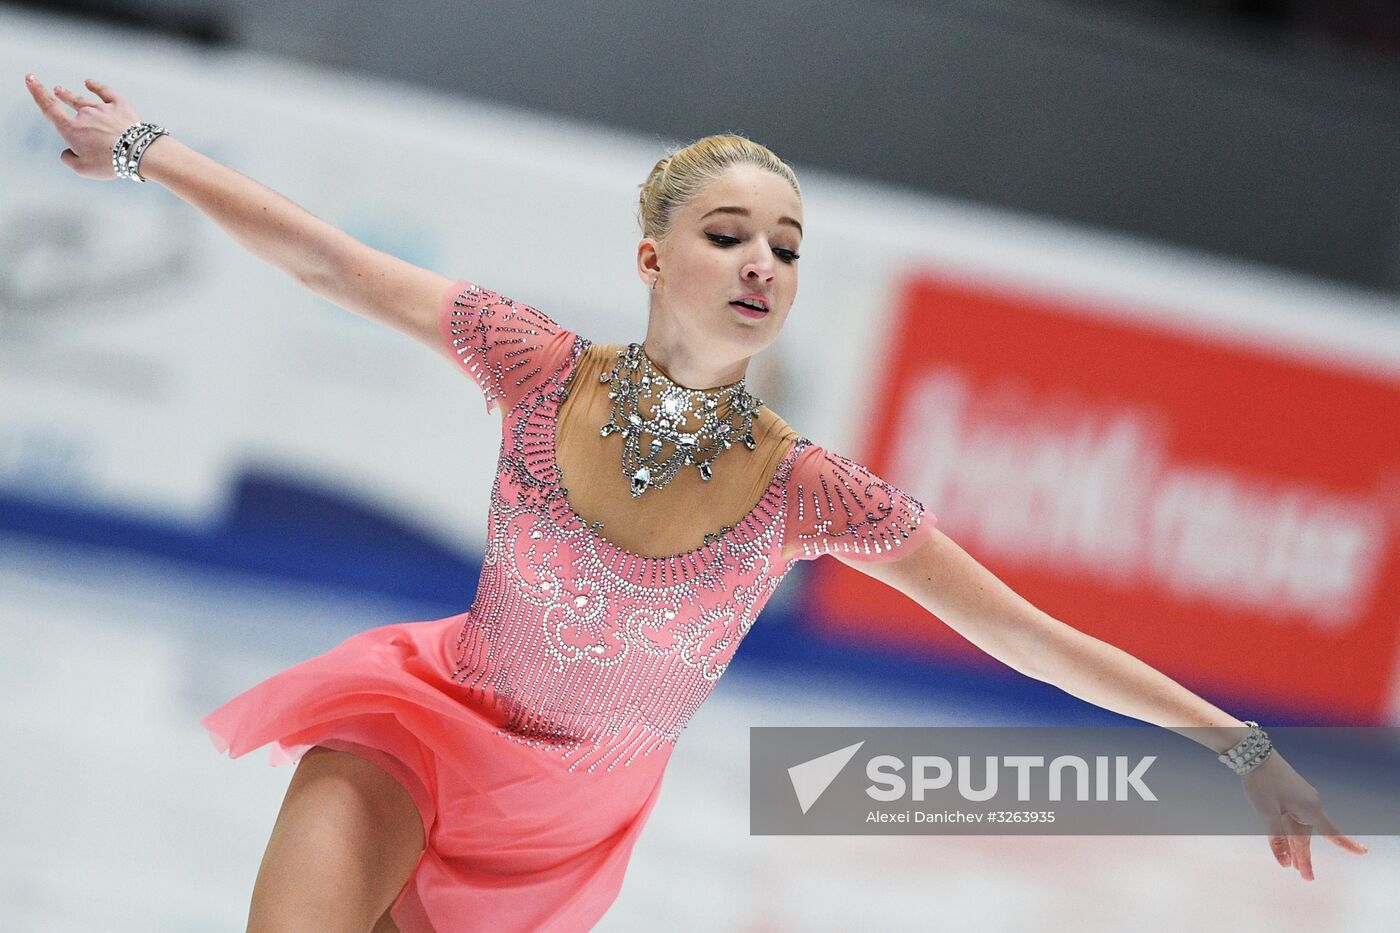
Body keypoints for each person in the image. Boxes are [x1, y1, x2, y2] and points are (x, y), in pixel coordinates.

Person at [23, 73, 1368, 932]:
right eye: (729, 233)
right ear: (654, 256)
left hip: (556, 835)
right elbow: (328, 261)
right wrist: (147, 148)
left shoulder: (809, 491)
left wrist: (1235, 742)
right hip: (417, 732)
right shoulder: (535, 364)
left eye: (786, 243)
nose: (762, 260)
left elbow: (1025, 634)